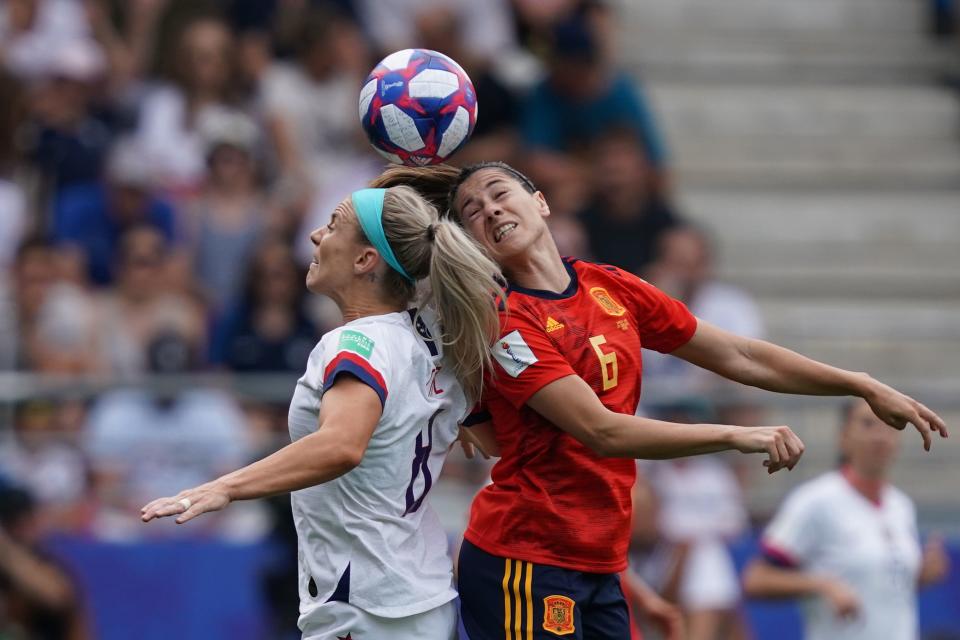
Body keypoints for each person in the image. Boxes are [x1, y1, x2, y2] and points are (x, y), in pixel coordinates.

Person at [369, 161, 947, 640]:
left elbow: (740, 355)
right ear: (472, 243)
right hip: (525, 562)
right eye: (473, 212)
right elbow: (602, 431)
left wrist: (859, 383)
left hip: (598, 561)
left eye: (500, 194)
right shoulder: (505, 322)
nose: (491, 210)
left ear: (541, 202)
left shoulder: (610, 285)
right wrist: (733, 436)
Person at [141, 185, 504, 639]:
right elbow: (488, 437)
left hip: (366, 606)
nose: (315, 235)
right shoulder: (433, 340)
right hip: (418, 594)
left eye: (333, 226)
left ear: (365, 260)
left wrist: (225, 488)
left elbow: (341, 445)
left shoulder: (355, 343)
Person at [742, 398, 951, 640]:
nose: (880, 435)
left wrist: (922, 576)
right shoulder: (815, 501)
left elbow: (881, 588)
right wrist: (822, 585)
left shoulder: (901, 506)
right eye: (867, 424)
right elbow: (756, 580)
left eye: (891, 426)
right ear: (843, 437)